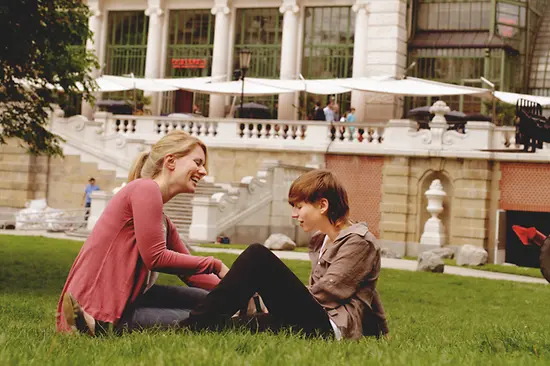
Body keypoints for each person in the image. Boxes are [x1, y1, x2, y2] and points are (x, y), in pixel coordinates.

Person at [58, 131, 230, 335]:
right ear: (171, 161)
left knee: (215, 305)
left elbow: (190, 273)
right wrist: (215, 264)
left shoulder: (163, 219)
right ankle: (91, 326)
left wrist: (234, 292)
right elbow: (155, 257)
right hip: (94, 308)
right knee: (207, 318)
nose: (203, 172)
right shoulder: (145, 189)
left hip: (131, 298)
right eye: (198, 162)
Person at [184, 170, 389, 340]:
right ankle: (191, 324)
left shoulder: (358, 241)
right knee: (236, 326)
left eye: (299, 207)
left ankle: (193, 323)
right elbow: (368, 288)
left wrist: (269, 296)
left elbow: (327, 292)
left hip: (330, 326)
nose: (294, 214)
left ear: (323, 205)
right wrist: (382, 330)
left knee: (257, 257)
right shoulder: (323, 239)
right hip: (313, 319)